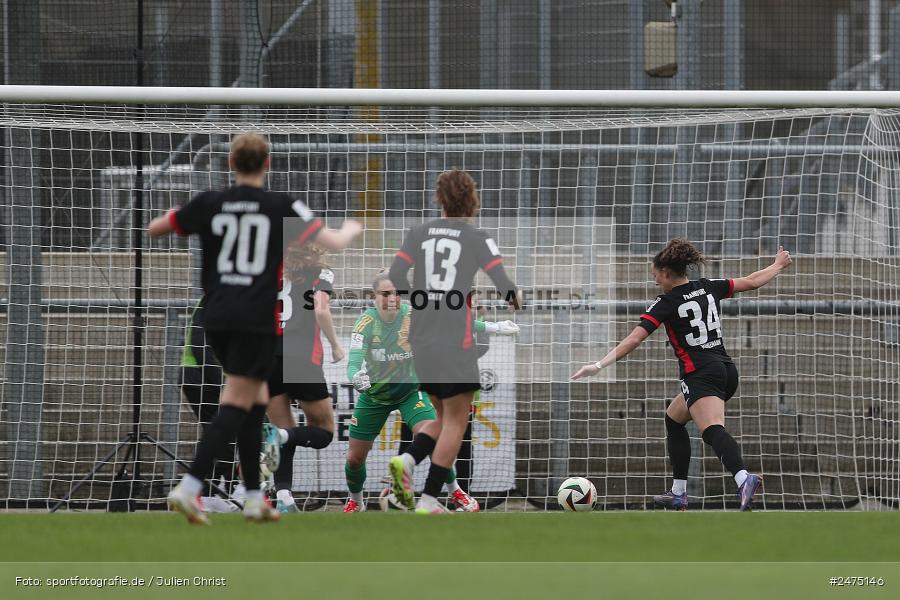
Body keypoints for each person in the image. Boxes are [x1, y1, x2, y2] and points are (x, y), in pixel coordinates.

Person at [148, 132, 361, 524]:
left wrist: (186, 217)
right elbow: (333, 239)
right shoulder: (280, 206)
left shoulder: (211, 202)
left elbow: (157, 229)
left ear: (231, 164)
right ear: (267, 164)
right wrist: (350, 229)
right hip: (254, 322)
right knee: (238, 405)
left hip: (217, 318)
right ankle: (190, 486)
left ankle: (251, 497)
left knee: (255, 403)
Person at [571, 238, 793, 511]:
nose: (655, 282)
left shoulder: (666, 302)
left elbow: (633, 340)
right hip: (725, 369)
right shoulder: (708, 287)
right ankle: (678, 492)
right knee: (674, 419)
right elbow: (752, 280)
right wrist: (777, 265)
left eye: (655, 276)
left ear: (666, 272)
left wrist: (598, 365)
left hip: (700, 374)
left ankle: (743, 478)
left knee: (712, 430)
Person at [387, 168, 520, 514]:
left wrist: (422, 300)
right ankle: (428, 498)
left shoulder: (417, 233)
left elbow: (396, 277)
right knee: (457, 422)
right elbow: (503, 283)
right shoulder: (477, 237)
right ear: (471, 198)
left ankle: (408, 459)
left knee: (441, 417)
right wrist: (516, 298)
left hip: (421, 337)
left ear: (439, 198)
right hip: (455, 339)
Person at [343, 270, 518, 513]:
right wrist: (355, 376)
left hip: (411, 392)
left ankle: (456, 491)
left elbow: (454, 324)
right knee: (354, 458)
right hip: (375, 396)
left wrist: (494, 326)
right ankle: (356, 501)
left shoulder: (414, 315)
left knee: (434, 439)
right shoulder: (366, 322)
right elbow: (353, 363)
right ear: (374, 296)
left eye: (396, 293)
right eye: (385, 293)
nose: (392, 298)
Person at [266, 243, 341, 514]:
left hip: (268, 357)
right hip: (301, 359)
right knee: (324, 433)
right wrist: (335, 344)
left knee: (281, 432)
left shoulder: (269, 271)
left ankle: (283, 497)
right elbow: (321, 311)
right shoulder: (320, 272)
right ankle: (280, 437)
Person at [179, 296, 237, 512]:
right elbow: (199, 343)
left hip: (207, 379)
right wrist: (222, 386)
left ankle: (210, 493)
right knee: (224, 434)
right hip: (201, 379)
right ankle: (210, 492)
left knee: (222, 434)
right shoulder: (215, 298)